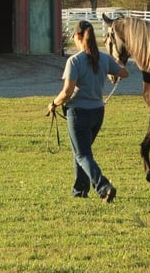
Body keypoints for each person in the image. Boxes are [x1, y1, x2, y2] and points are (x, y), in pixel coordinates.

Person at [47, 20, 129, 202]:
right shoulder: (103, 58)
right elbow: (124, 73)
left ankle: (103, 187)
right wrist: (114, 60)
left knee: (82, 154)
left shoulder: (74, 61)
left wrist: (53, 103)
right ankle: (80, 190)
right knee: (83, 151)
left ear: (77, 36)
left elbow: (67, 92)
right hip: (97, 112)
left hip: (78, 113)